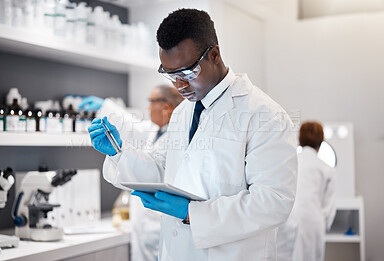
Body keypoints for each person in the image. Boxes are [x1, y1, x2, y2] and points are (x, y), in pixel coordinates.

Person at [88, 8, 298, 261]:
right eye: (171, 75)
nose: (180, 86)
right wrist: (119, 154)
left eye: (187, 73)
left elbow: (273, 203)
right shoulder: (183, 113)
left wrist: (193, 214)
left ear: (214, 55)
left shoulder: (264, 114)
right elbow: (163, 167)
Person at [81, 85, 183, 261]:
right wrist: (105, 106)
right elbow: (131, 125)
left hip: (163, 223)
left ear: (166, 106)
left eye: (151, 102)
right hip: (144, 225)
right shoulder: (154, 131)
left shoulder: (179, 137)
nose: (148, 107)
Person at [276, 121, 336, 261]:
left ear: (300, 139)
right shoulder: (327, 169)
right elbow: (328, 208)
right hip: (312, 222)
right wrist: (323, 225)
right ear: (321, 142)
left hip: (286, 219)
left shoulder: (289, 162)